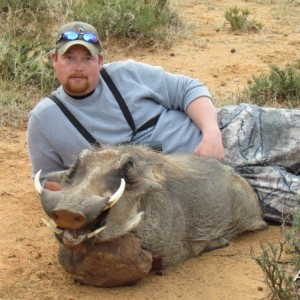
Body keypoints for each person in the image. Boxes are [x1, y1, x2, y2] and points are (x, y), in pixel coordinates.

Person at [27, 21, 300, 223]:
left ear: (100, 61)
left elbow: (189, 89)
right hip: (201, 188)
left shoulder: (128, 73)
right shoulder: (44, 119)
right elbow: (51, 180)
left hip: (229, 132)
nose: (78, 66)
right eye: (69, 58)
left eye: (87, 58)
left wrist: (211, 133)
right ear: (55, 60)